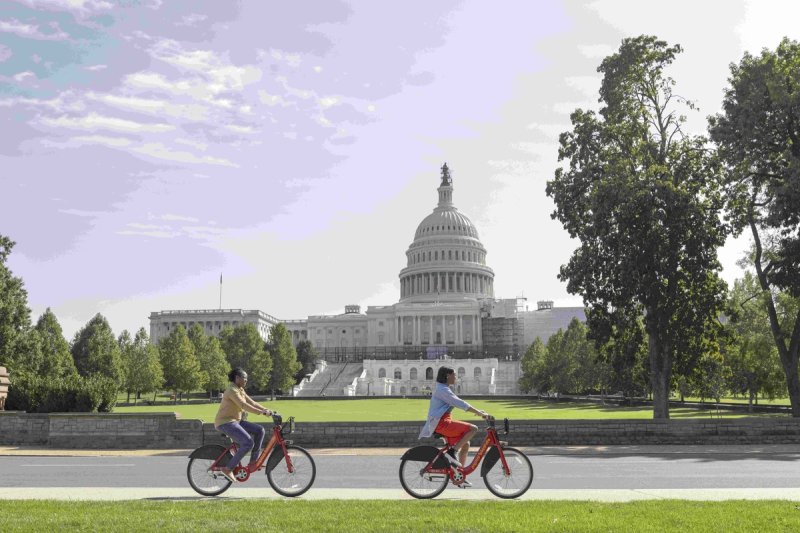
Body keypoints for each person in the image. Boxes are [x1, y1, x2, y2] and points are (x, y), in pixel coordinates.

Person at [419, 366, 491, 482]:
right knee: (473, 429)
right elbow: (460, 403)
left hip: (442, 422)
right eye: (455, 375)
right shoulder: (443, 390)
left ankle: (459, 474)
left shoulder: (443, 388)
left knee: (466, 444)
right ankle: (452, 452)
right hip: (441, 423)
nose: (456, 377)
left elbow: (458, 402)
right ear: (448, 376)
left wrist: (478, 411)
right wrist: (478, 412)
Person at [214, 367, 275, 482]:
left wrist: (266, 409)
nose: (246, 380)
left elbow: (252, 402)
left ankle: (253, 462)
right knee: (248, 443)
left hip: (236, 421)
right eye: (244, 378)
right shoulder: (232, 390)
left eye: (247, 378)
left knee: (260, 430)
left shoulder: (240, 389)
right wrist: (261, 412)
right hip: (225, 422)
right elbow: (243, 405)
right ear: (237, 378)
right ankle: (228, 469)